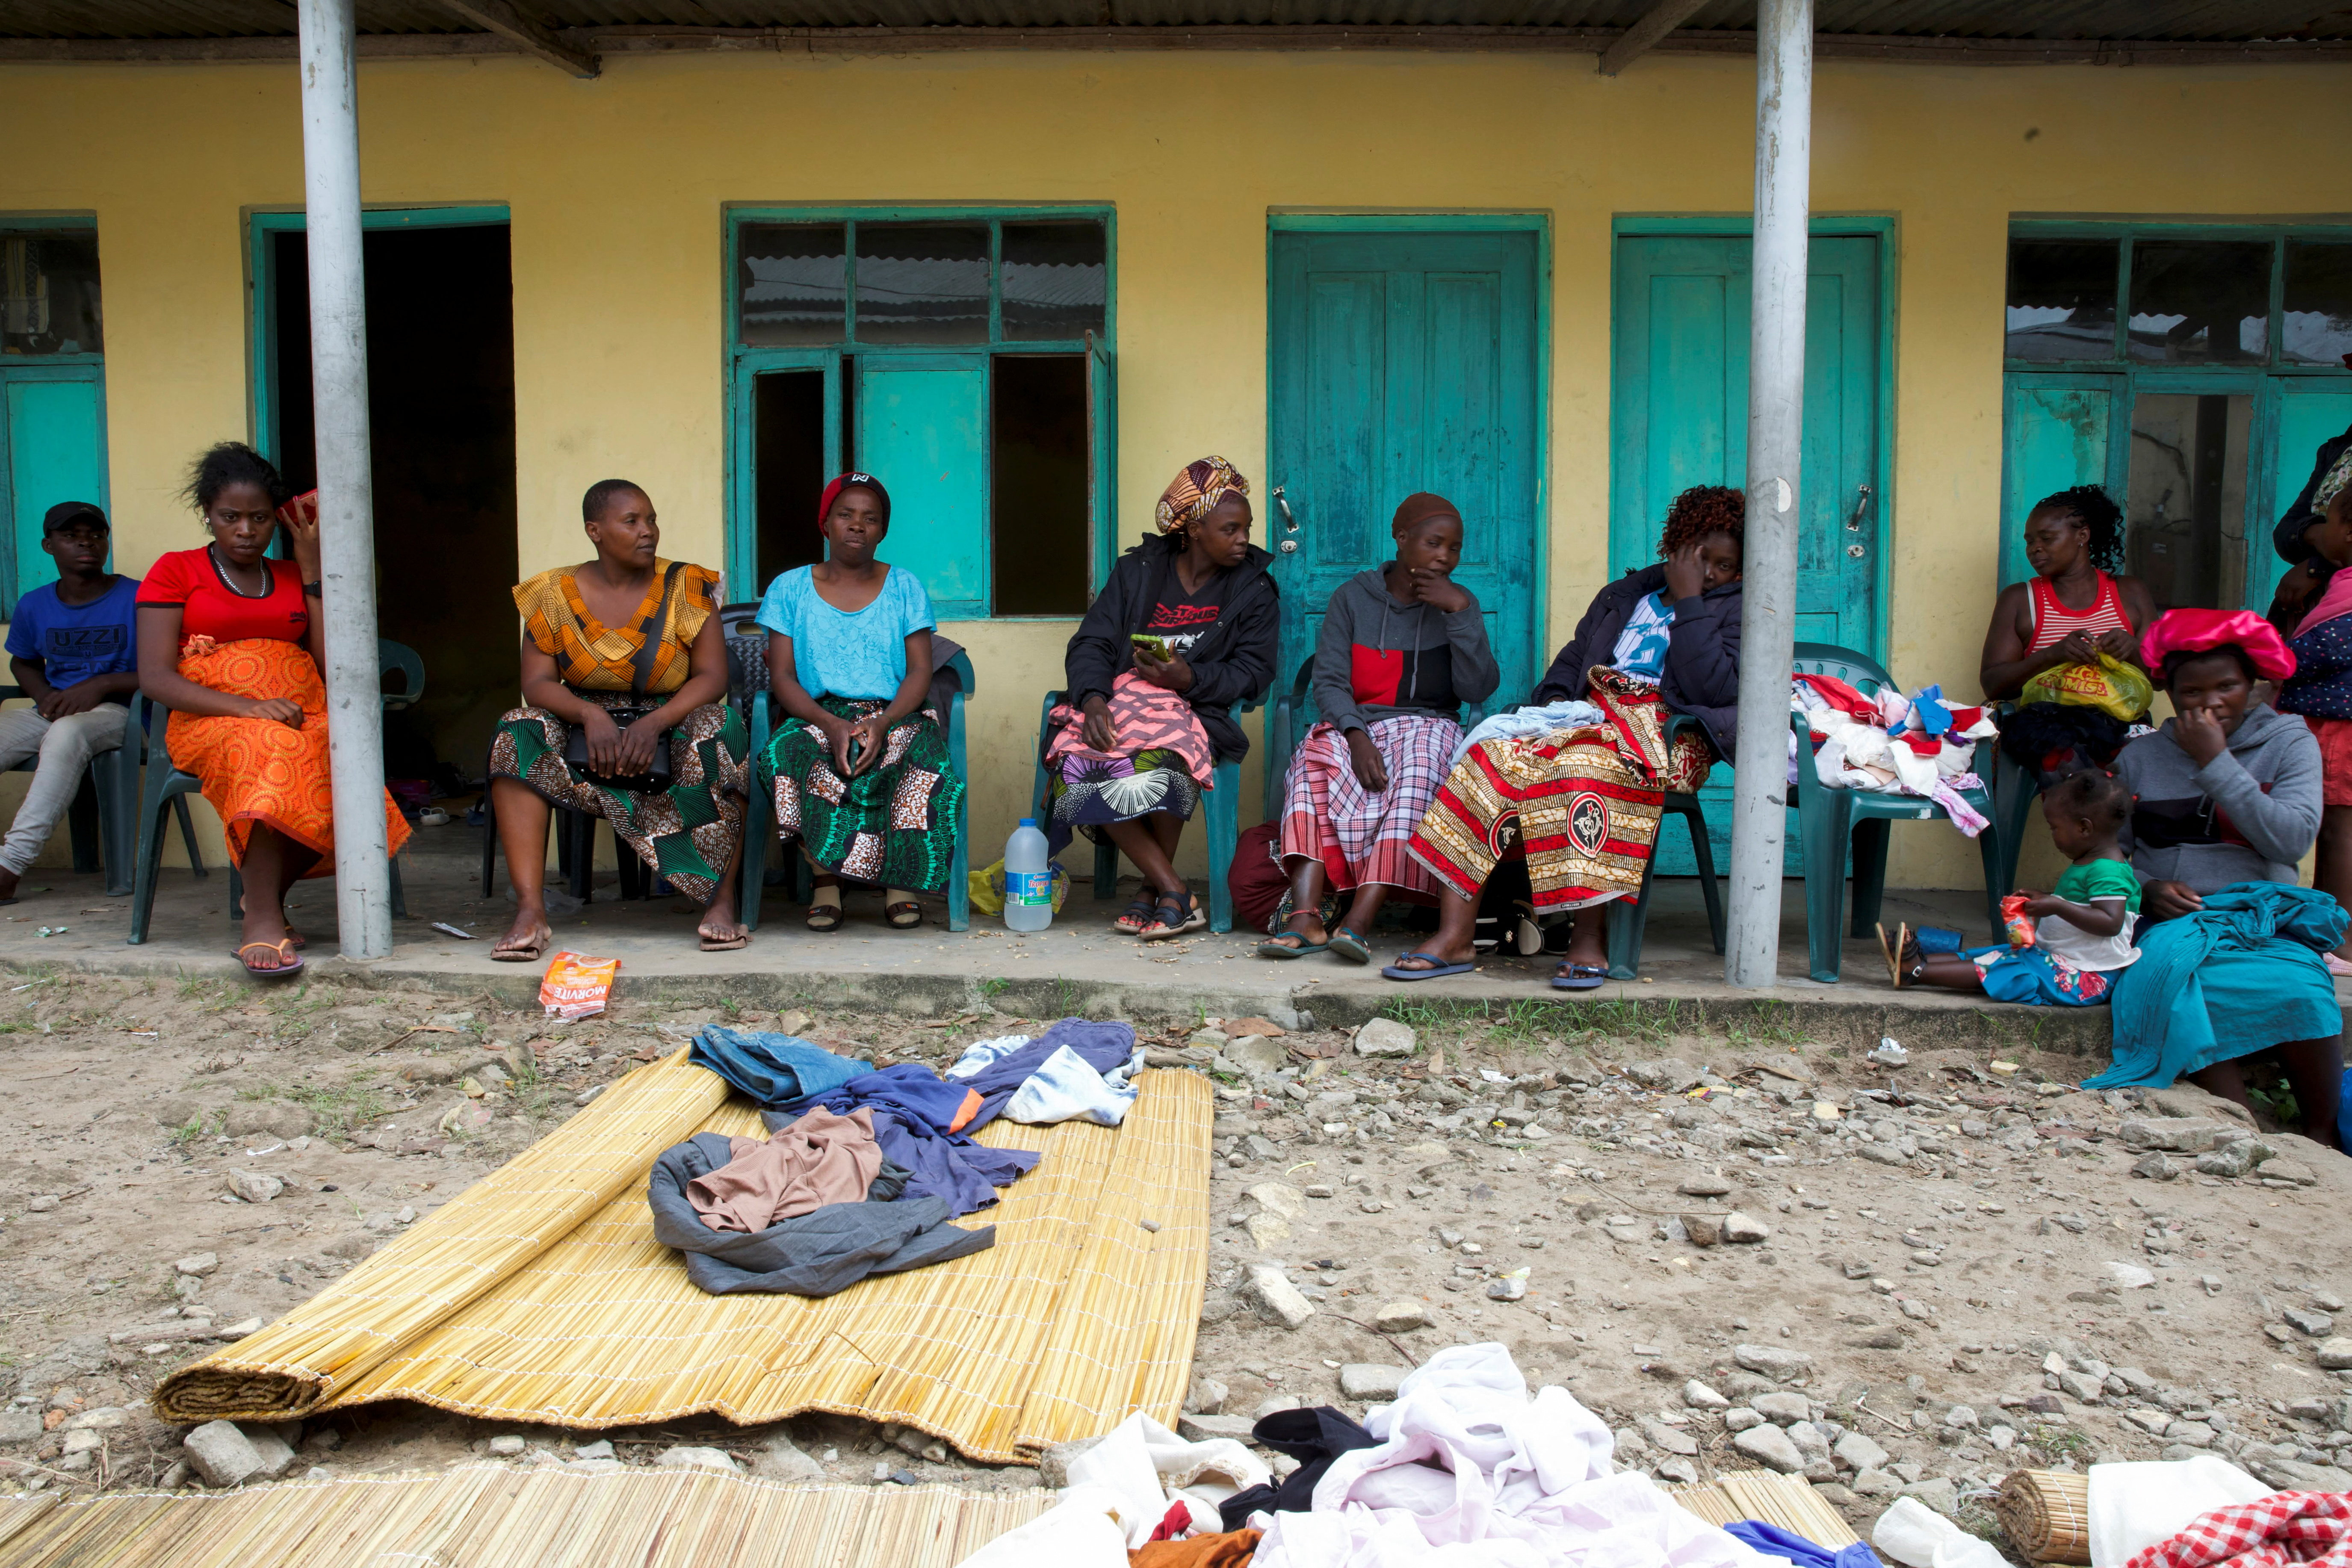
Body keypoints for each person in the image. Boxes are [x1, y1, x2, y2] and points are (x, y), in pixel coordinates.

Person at [1392, 484, 1744, 988]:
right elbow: (1572, 664)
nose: (1711, 573)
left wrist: (1690, 602)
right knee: (1486, 759)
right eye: (1701, 558)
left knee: (1581, 768)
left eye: (1725, 566)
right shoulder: (1623, 598)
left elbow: (1713, 687)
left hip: (1669, 736)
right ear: (1675, 545)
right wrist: (1558, 706)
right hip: (1589, 720)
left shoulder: (1734, 609)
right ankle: (1455, 935)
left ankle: (1587, 935)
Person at [134, 443, 412, 976]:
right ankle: (261, 918)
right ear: (208, 514)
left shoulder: (288, 574)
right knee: (270, 746)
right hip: (211, 721)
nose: (245, 530)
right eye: (230, 517)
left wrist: (310, 567)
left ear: (276, 520)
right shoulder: (176, 571)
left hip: (299, 713)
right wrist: (246, 707)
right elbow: (156, 678)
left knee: (345, 759)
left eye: (259, 518)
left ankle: (263, 896)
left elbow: (336, 664)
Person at [2082, 609, 2343, 1148]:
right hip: (2173, 920)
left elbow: (2291, 840)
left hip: (2261, 916)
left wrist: (2218, 763)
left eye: (2227, 686)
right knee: (2175, 986)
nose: (2210, 702)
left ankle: (2319, 1130)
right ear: (2168, 693)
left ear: (2254, 685)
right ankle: (2241, 1125)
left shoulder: (2290, 743)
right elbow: (2113, 854)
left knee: (2301, 984)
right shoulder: (2141, 756)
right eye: (2190, 690)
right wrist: (2149, 885)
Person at [488, 479, 749, 958]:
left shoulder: (690, 586)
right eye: (631, 521)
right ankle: (530, 911)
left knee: (721, 727)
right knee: (516, 729)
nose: (647, 531)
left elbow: (713, 677)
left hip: (671, 729)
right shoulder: (551, 594)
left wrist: (656, 723)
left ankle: (720, 900)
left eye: (651, 519)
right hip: (586, 734)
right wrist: (589, 715)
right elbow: (539, 683)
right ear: (595, 530)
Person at [1043, 456, 1277, 940]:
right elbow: (1093, 642)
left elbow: (1255, 673)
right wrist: (1091, 701)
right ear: (1193, 528)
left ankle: (1155, 892)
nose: (1243, 541)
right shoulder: (1138, 571)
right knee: (1078, 763)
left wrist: (1188, 678)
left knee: (1166, 761)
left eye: (1246, 529)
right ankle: (1173, 890)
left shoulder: (1253, 588)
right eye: (1230, 529)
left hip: (1196, 709)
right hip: (1120, 702)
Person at [1260, 493, 1498, 963]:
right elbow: (1329, 680)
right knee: (1311, 760)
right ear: (1401, 538)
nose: (1444, 557)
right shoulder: (1352, 598)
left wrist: (1460, 614)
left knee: (1418, 771)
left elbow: (1477, 688)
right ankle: (1305, 917)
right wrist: (1354, 735)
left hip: (1429, 727)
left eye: (1454, 548)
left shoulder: (1458, 603)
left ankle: (1358, 923)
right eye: (1434, 543)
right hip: (1358, 726)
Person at [756, 472, 963, 931]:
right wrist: (829, 723)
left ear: (882, 531)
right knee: (786, 753)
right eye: (845, 515)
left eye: (870, 519)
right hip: (817, 712)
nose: (857, 526)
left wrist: (885, 720)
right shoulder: (788, 588)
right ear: (825, 523)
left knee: (922, 754)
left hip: (893, 712)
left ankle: (899, 882)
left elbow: (920, 672)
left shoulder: (905, 586)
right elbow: (784, 677)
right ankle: (825, 880)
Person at [1880, 769, 2138, 1004]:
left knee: (2014, 967)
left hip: (2086, 978)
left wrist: (2057, 906)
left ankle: (1917, 971)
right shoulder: (2093, 863)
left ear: (2084, 828)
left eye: (2054, 827)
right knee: (2001, 953)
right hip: (2066, 962)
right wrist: (2048, 900)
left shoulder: (2108, 871)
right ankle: (1918, 961)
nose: (2053, 835)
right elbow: (2083, 905)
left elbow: (2110, 922)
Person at [0, 501, 141, 904]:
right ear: (48, 546)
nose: (87, 543)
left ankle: (10, 865)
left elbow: (165, 668)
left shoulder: (138, 596)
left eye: (96, 535)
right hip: (55, 706)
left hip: (123, 712)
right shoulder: (34, 604)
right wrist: (43, 695)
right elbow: (22, 661)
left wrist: (102, 684)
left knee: (66, 734)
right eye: (71, 536)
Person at [2277, 459, 2352, 972]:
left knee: (2336, 833)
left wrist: (2266, 657)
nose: (2316, 532)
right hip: (2333, 726)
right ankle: (2325, 929)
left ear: (2347, 532)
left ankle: (2339, 942)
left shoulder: (2348, 590)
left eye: (2325, 522)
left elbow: (2315, 652)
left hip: (2336, 732)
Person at [1980, 485, 2156, 701]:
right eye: (2030, 541)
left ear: (2082, 535)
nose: (2035, 548)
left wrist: (2133, 648)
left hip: (2124, 728)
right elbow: (1993, 686)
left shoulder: (2131, 592)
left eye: (2047, 538)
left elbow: (2160, 681)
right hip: (2047, 728)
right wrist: (2053, 655)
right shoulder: (2020, 600)